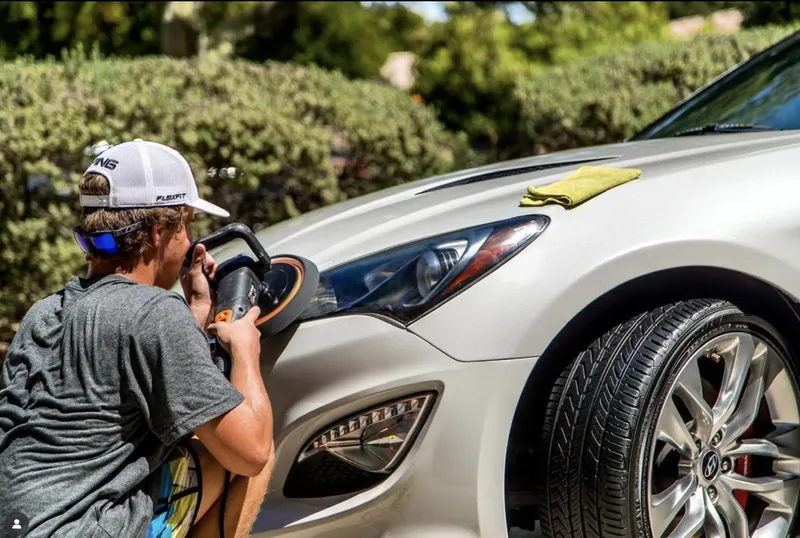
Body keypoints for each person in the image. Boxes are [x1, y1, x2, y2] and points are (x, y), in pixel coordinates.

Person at [0, 139, 275, 538]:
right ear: (159, 231)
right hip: (78, 530)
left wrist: (196, 311)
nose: (189, 243)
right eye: (188, 226)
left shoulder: (43, 312)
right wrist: (246, 348)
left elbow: (117, 381)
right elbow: (250, 452)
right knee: (247, 451)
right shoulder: (154, 314)